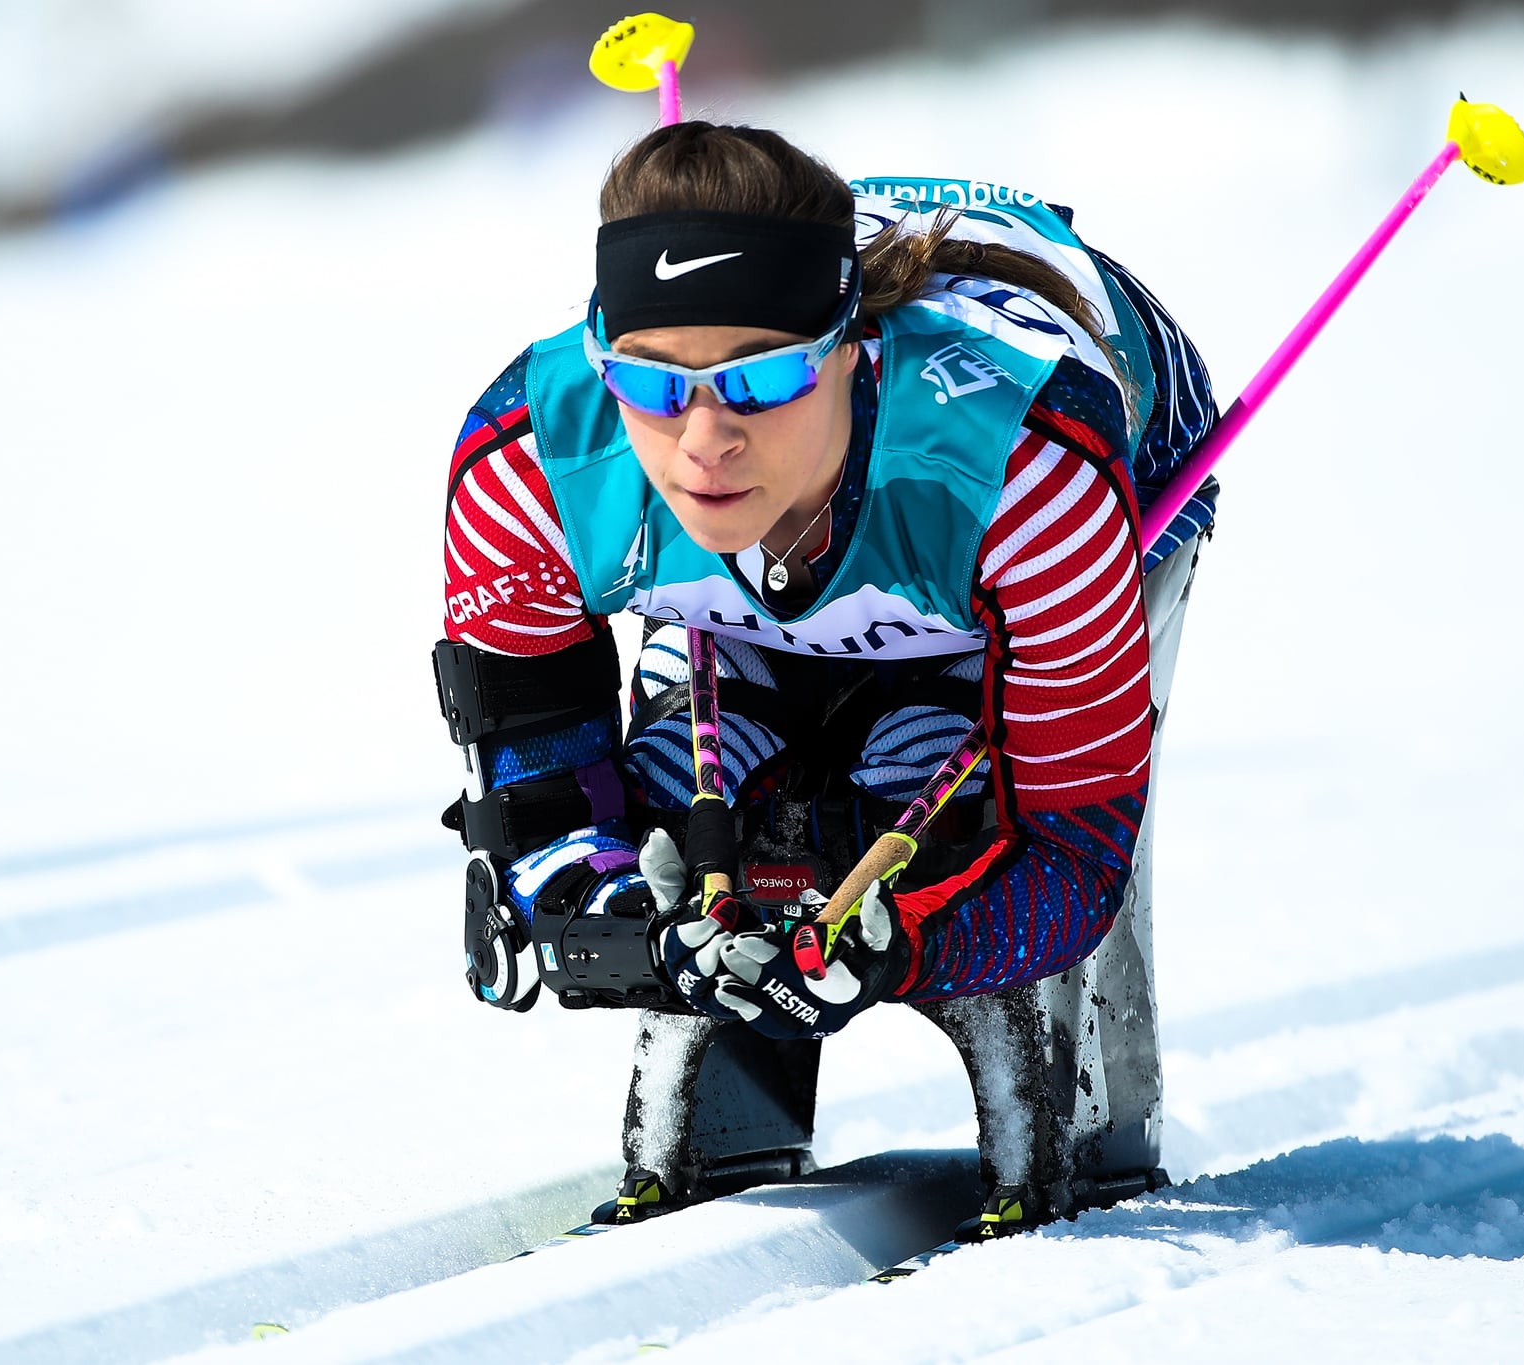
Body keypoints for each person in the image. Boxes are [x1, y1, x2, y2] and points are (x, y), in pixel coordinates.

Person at [434, 122, 1218, 1232]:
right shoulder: (531, 459)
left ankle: (1086, 1134)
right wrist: (628, 925)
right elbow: (537, 799)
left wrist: (918, 943)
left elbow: (1075, 850)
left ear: (849, 348)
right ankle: (729, 1111)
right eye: (650, 384)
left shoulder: (1026, 474)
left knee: (942, 810)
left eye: (759, 378)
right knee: (682, 812)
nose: (703, 440)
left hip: (1100, 465)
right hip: (847, 528)